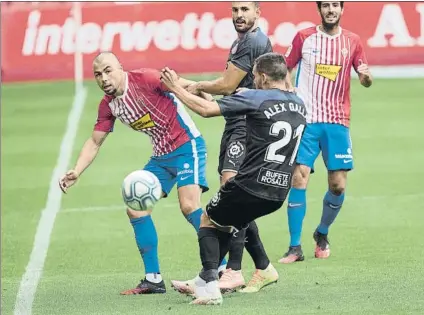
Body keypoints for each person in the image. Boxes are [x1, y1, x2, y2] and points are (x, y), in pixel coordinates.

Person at [160, 52, 307, 305]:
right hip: (279, 191)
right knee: (229, 223)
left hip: (251, 184)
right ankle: (206, 278)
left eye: (255, 78)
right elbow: (238, 111)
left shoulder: (256, 96)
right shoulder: (298, 103)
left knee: (208, 219)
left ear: (261, 76)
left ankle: (209, 288)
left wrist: (175, 88)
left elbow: (207, 111)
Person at [59, 52, 210, 295]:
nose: (104, 78)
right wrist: (77, 170)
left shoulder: (146, 79)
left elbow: (184, 84)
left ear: (120, 67)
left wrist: (204, 90)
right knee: (136, 209)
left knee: (189, 205)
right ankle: (153, 279)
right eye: (98, 74)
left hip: (186, 146)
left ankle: (221, 270)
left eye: (108, 70)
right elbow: (95, 142)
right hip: (161, 157)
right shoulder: (108, 105)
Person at [171, 1, 273, 294]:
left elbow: (227, 86)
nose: (239, 15)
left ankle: (233, 270)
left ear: (257, 12)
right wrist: (193, 85)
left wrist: (193, 85)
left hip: (246, 126)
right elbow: (229, 85)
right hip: (238, 123)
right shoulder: (244, 41)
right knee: (235, 194)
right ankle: (264, 267)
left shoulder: (251, 40)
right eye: (235, 10)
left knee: (233, 192)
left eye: (245, 9)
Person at [278, 1, 373, 264]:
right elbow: (286, 66)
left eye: (335, 5)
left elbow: (365, 78)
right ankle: (294, 247)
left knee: (338, 186)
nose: (331, 10)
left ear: (342, 10)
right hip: (307, 121)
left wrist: (365, 77)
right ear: (319, 9)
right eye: (326, 5)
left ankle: (321, 232)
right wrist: (289, 90)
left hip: (337, 122)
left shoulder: (352, 41)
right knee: (299, 178)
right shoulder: (304, 37)